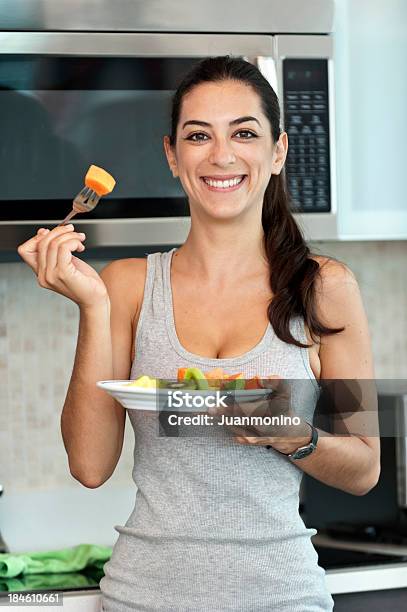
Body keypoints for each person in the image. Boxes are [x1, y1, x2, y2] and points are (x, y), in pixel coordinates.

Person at [17, 56, 380, 611]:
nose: (222, 155)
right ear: (172, 155)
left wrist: (291, 435)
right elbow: (90, 467)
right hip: (145, 597)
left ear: (278, 151)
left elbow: (364, 468)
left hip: (283, 596)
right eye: (198, 135)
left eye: (244, 133)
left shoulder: (325, 289)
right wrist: (92, 306)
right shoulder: (128, 286)